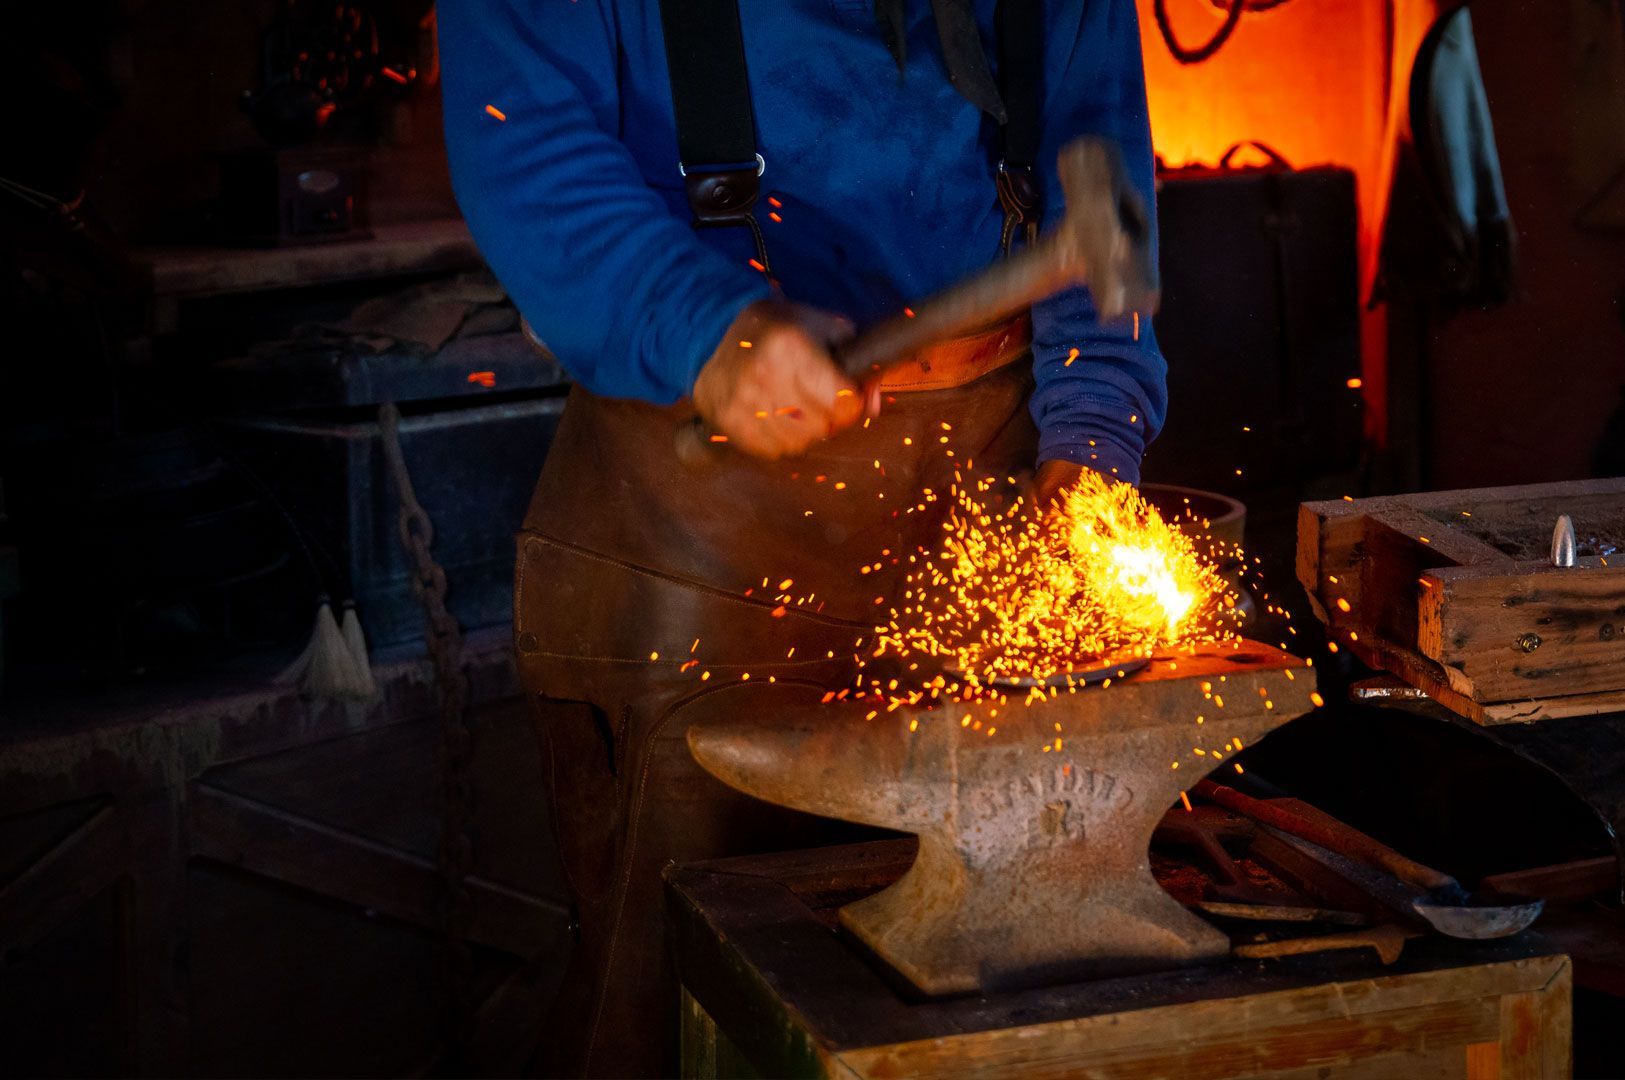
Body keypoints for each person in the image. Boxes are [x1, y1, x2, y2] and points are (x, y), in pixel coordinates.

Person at [439, 1, 1165, 1074]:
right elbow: (522, 134)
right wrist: (700, 323)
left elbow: (1092, 131)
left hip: (1000, 479)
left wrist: (1092, 435)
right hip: (699, 512)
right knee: (683, 1002)